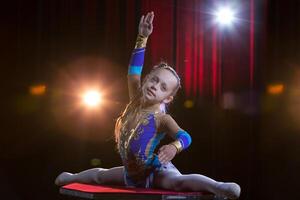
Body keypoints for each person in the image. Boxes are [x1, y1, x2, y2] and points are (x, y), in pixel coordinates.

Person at [55, 11, 241, 199]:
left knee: (178, 183)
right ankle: (72, 177)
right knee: (101, 176)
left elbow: (186, 136)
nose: (155, 86)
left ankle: (220, 186)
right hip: (130, 174)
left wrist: (173, 147)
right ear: (146, 80)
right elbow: (133, 72)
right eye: (154, 80)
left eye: (163, 87)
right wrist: (142, 37)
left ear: (167, 98)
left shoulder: (162, 118)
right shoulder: (135, 100)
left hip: (156, 172)